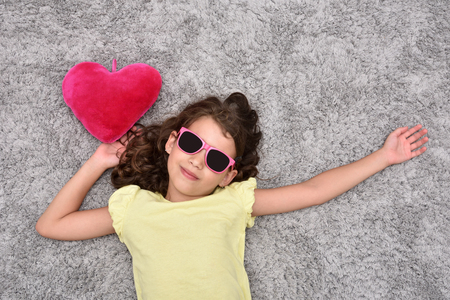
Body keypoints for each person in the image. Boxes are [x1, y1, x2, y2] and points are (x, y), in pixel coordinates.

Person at [36, 92, 428, 299]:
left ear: (228, 176)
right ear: (172, 143)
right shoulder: (133, 207)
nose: (197, 161)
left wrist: (382, 157)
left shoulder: (231, 201)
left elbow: (313, 191)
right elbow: (51, 225)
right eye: (191, 142)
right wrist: (97, 161)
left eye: (216, 157)